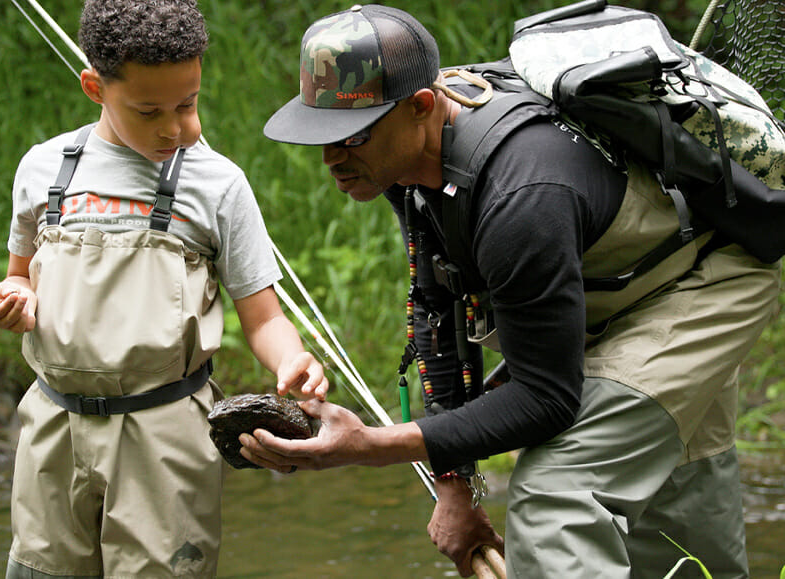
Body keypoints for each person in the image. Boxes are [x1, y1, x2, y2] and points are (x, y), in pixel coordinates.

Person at [240, 4, 782, 578]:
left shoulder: (521, 194)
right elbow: (437, 312)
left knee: (557, 492)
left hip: (704, 283)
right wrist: (455, 487)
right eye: (318, 134)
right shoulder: (407, 160)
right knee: (677, 494)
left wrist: (374, 445)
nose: (330, 158)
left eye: (348, 136)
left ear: (421, 106)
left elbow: (545, 398)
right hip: (610, 293)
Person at [0, 1, 328, 577]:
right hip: (53, 427)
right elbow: (19, 275)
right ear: (95, 87)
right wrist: (13, 299)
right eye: (150, 111)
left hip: (164, 433)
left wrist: (293, 360)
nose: (178, 128)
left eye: (189, 103)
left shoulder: (218, 184)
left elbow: (264, 318)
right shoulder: (45, 169)